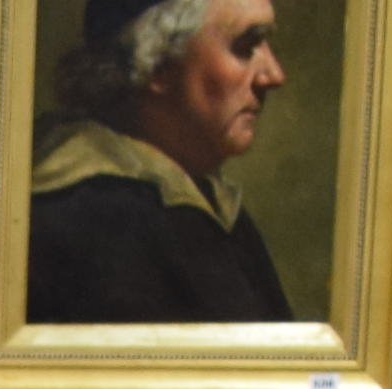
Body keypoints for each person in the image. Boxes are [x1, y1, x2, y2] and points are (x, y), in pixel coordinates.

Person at [26, 0, 300, 322]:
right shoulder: (90, 220)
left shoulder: (206, 204)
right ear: (158, 64)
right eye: (245, 47)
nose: (274, 75)